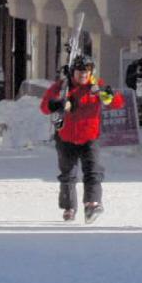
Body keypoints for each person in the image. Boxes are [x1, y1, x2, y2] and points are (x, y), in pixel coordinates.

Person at [40, 55, 125, 222]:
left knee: (93, 172)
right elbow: (44, 106)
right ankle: (69, 207)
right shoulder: (62, 87)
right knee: (68, 174)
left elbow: (117, 102)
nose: (83, 76)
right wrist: (57, 104)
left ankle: (92, 204)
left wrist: (107, 95)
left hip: (90, 137)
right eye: (80, 72)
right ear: (73, 72)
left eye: (86, 72)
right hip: (66, 136)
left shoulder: (96, 86)